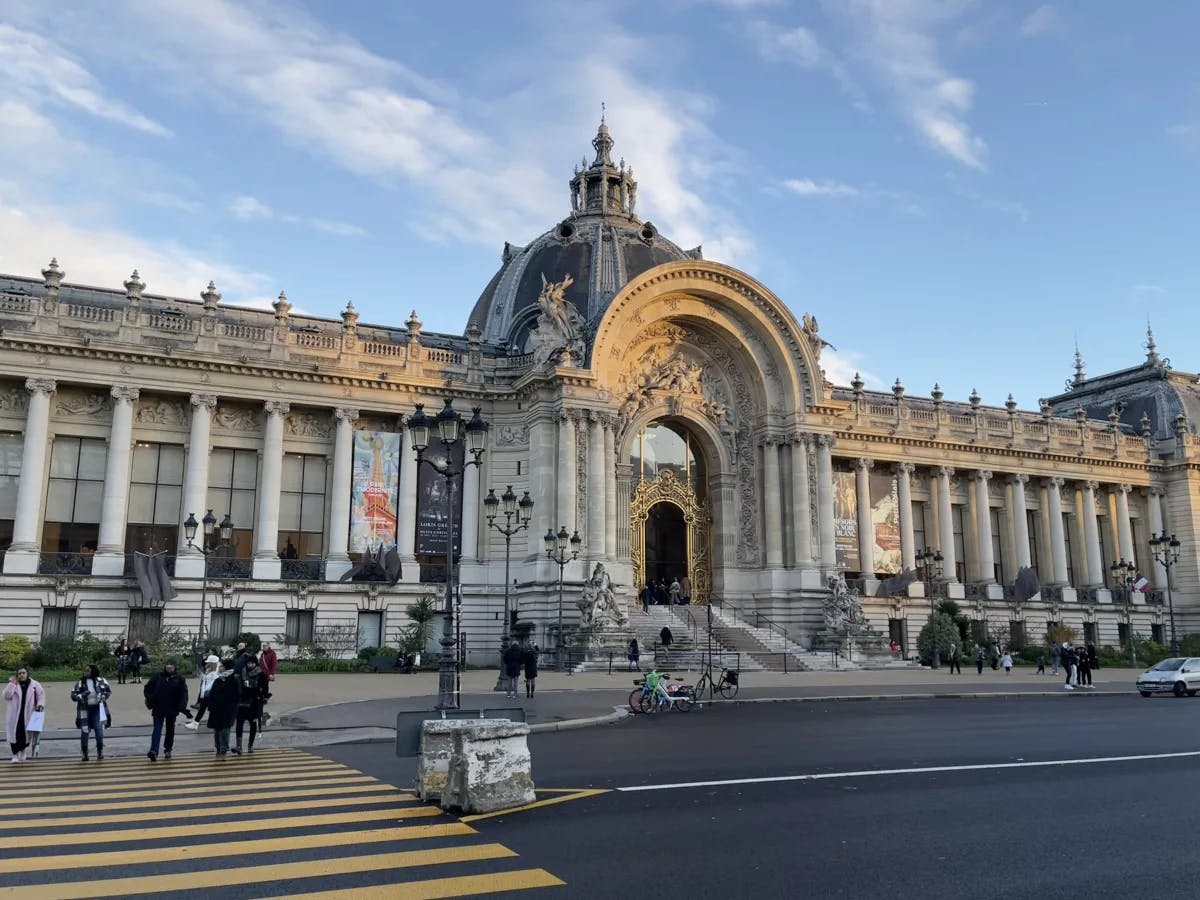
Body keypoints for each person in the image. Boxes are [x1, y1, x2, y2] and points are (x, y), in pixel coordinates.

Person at [144, 659, 189, 761]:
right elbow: (147, 687)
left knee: (170, 729)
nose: (168, 666)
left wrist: (182, 706)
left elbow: (184, 694)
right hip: (158, 707)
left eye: (171, 664)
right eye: (167, 664)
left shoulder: (179, 679)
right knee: (157, 729)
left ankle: (168, 749)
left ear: (175, 667)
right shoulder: (157, 676)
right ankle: (154, 750)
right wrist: (151, 697)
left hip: (172, 708)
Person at [70, 664, 111, 761]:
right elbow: (73, 695)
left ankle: (100, 751)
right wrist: (82, 695)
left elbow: (108, 691)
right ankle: (84, 753)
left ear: (93, 671)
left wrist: (103, 696)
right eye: (84, 670)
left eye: (88, 670)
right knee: (85, 731)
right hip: (85, 710)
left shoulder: (101, 680)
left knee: (98, 730)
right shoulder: (80, 682)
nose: (85, 672)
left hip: (97, 709)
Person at [5, 667, 46, 763]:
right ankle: (14, 754)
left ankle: (23, 751)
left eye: (23, 673)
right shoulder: (13, 684)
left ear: (27, 674)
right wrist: (12, 685)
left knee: (26, 734)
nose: (21, 675)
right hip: (15, 714)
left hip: (28, 713)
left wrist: (40, 705)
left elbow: (41, 696)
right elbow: (6, 696)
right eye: (19, 673)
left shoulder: (35, 685)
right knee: (14, 734)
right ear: (17, 675)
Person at [233, 656, 269, 754]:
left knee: (253, 723)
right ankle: (239, 746)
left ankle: (250, 745)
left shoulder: (261, 674)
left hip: (254, 702)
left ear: (255, 664)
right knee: (239, 722)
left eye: (252, 663)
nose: (250, 665)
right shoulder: (242, 673)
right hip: (242, 701)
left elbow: (265, 688)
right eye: (248, 663)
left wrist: (264, 697)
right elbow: (238, 687)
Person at [207, 659, 240, 757]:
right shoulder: (218, 680)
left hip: (228, 709)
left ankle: (223, 749)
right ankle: (218, 747)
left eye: (221, 666)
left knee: (225, 729)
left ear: (227, 667)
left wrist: (232, 706)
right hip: (216, 709)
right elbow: (212, 694)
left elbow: (237, 695)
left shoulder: (234, 679)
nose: (219, 668)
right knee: (217, 729)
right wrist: (211, 705)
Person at [185, 655, 220, 730]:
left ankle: (199, 723)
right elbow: (205, 680)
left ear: (213, 663)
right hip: (207, 693)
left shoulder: (216, 672)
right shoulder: (210, 670)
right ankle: (196, 723)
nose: (207, 664)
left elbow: (212, 682)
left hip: (211, 693)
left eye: (209, 662)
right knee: (203, 708)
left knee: (210, 709)